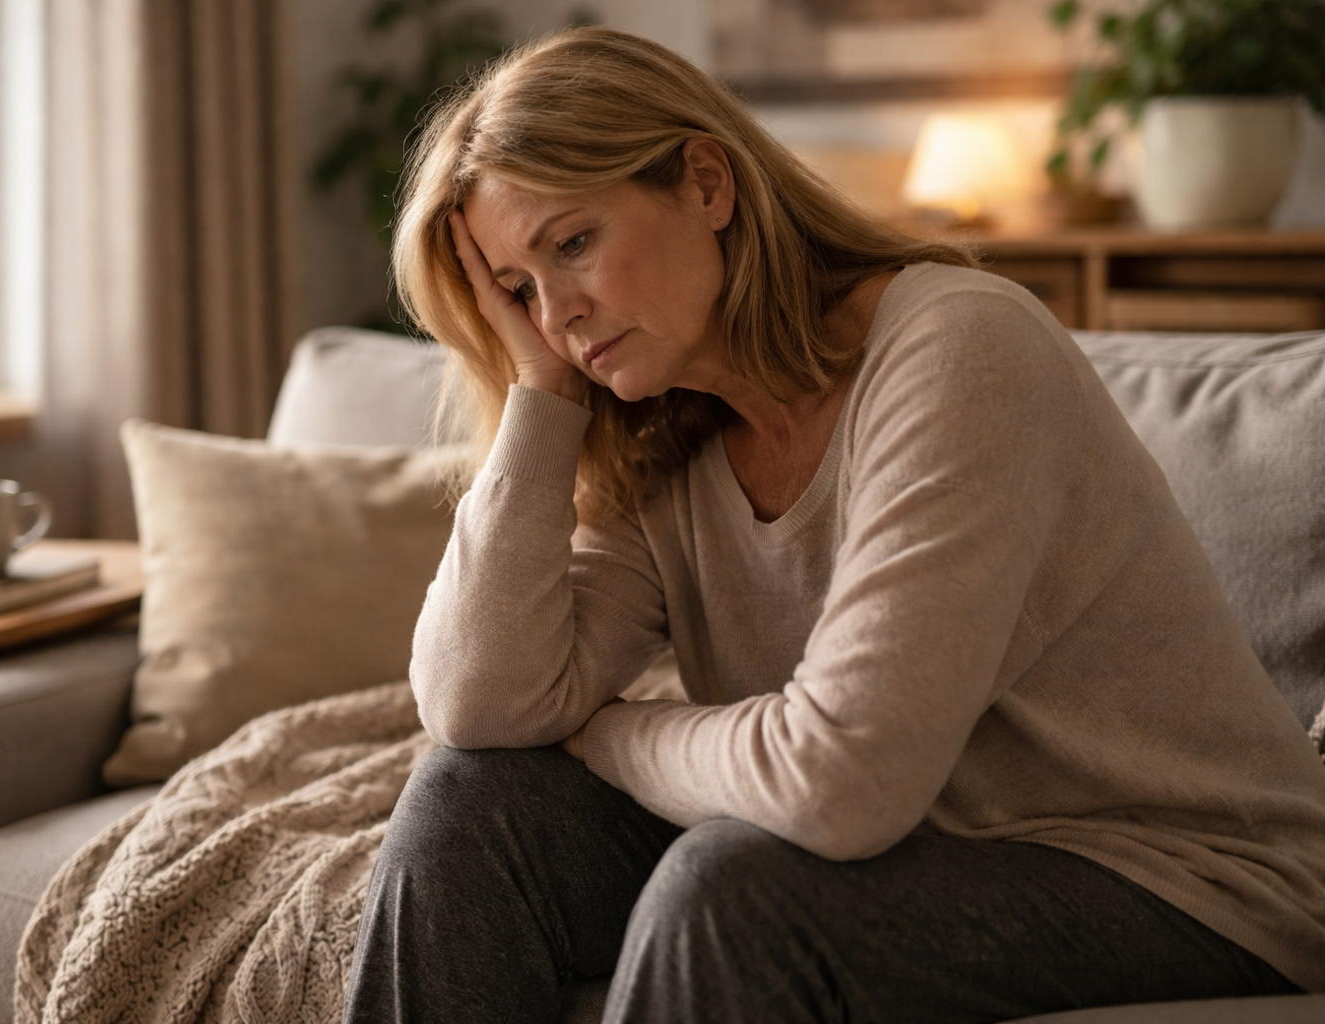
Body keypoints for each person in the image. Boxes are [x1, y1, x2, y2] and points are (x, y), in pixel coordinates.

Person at [340, 26, 1325, 1024]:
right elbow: (477, 705)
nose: (559, 313)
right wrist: (541, 397)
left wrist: (614, 733)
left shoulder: (958, 348)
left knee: (730, 893)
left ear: (707, 185)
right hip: (920, 847)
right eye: (518, 290)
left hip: (1186, 876)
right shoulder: (661, 441)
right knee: (467, 810)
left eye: (573, 244)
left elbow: (839, 782)